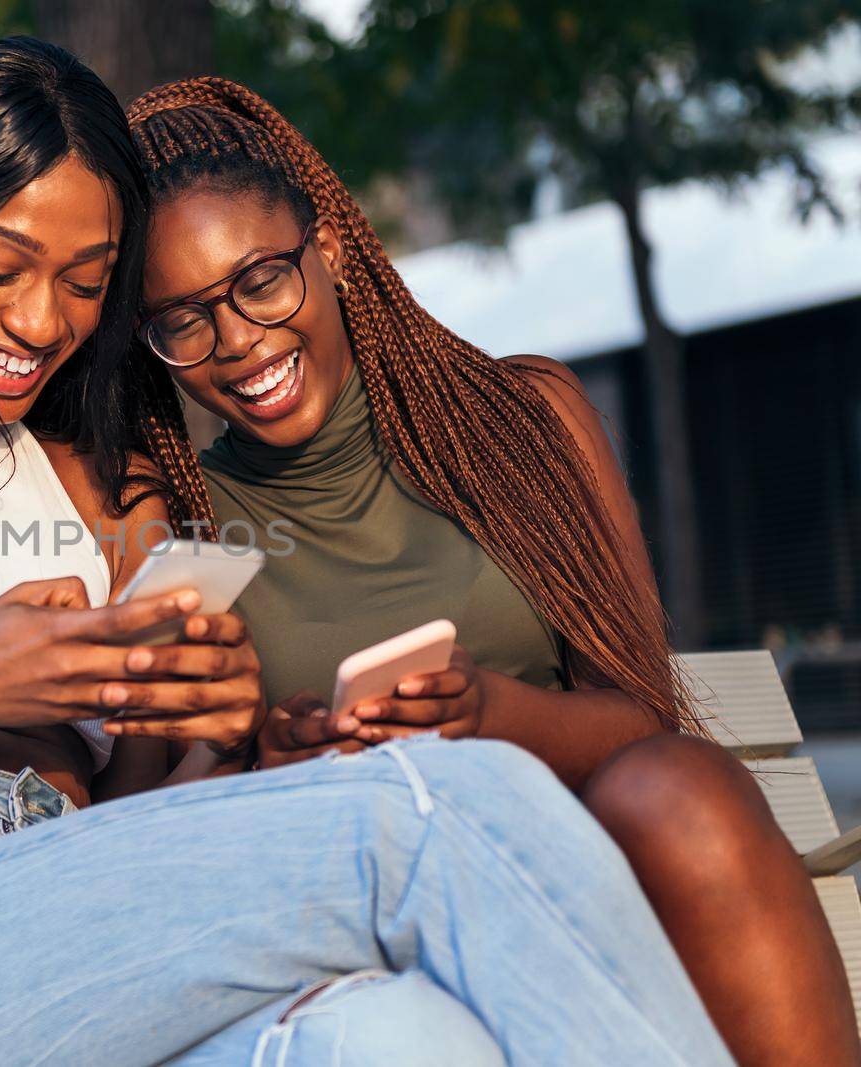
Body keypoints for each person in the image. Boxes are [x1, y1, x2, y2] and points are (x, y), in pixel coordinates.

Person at [0, 38, 729, 1065]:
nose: (41, 320)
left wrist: (198, 741)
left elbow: (127, 820)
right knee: (430, 806)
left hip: (71, 919)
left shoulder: (105, 486)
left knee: (401, 1034)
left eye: (86, 281)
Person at [123, 76, 859, 1067]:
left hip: (593, 863)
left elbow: (638, 713)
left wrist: (484, 715)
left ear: (329, 247)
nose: (238, 339)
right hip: (365, 926)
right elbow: (141, 831)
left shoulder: (516, 423)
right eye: (181, 318)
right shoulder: (176, 521)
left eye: (261, 279)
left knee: (679, 788)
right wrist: (271, 764)